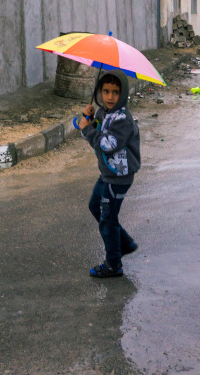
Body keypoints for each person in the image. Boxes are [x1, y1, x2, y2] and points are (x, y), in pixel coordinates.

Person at [79, 69, 140, 278]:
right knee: (95, 206)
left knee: (107, 219)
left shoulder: (123, 119)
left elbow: (107, 144)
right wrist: (88, 119)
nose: (110, 96)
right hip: (108, 173)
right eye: (105, 91)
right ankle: (124, 243)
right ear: (99, 92)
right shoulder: (103, 113)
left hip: (119, 176)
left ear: (122, 94)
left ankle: (114, 264)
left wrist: (88, 130)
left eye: (115, 92)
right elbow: (96, 131)